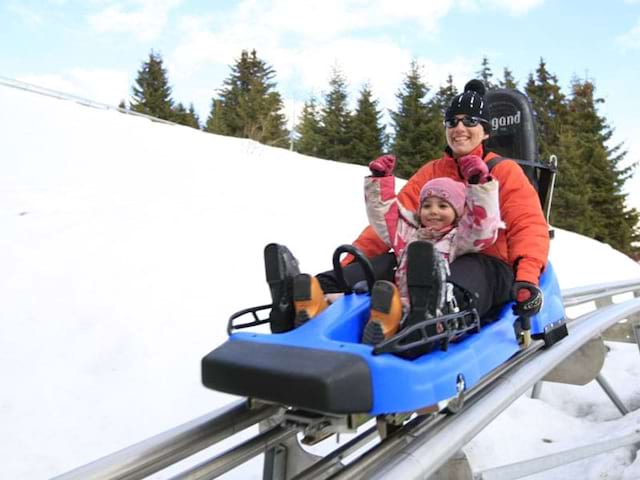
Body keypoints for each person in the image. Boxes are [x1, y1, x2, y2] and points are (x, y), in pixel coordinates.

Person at [264, 79, 548, 357]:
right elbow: (394, 222)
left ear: (485, 131)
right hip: (431, 254)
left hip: (487, 264)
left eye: (470, 122)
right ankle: (303, 300)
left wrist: (527, 279)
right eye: (453, 122)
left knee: (466, 268)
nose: (460, 128)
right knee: (395, 258)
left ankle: (430, 320)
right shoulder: (433, 171)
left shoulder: (504, 171)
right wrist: (350, 267)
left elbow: (528, 226)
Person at [361, 153, 502, 345]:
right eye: (426, 206)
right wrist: (380, 179)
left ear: (458, 211)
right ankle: (385, 327)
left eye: (443, 205)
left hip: (438, 314)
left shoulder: (458, 238)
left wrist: (478, 183)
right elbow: (384, 216)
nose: (433, 211)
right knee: (392, 306)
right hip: (405, 305)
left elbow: (482, 226)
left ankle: (414, 331)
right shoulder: (409, 235)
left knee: (425, 321)